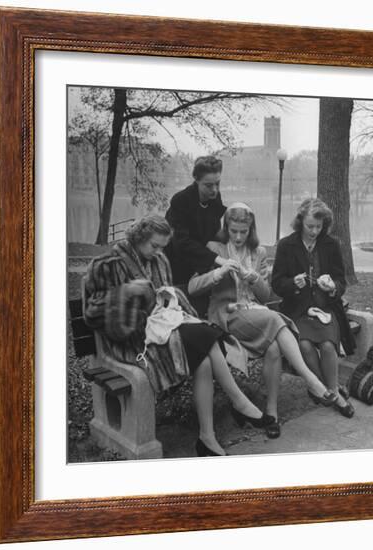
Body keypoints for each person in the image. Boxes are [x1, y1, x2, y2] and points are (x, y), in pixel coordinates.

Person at [82, 214, 271, 457]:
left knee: (203, 358)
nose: (159, 251)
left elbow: (166, 297)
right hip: (132, 341)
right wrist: (125, 291)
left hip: (162, 328)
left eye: (162, 246)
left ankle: (207, 437)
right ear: (139, 237)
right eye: (155, 245)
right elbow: (92, 313)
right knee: (205, 335)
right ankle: (239, 402)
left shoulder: (159, 259)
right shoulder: (107, 264)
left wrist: (167, 297)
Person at [188, 203, 338, 439]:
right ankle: (311, 380)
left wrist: (255, 278)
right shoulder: (214, 248)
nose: (238, 237)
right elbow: (192, 287)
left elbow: (266, 295)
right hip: (226, 316)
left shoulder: (258, 253)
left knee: (275, 347)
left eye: (243, 231)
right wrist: (217, 273)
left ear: (251, 229)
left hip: (255, 317)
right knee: (273, 318)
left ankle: (271, 413)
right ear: (226, 227)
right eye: (233, 230)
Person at [271, 198, 356, 418]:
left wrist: (332, 287)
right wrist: (292, 284)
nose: (314, 231)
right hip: (297, 310)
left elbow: (341, 281)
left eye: (319, 227)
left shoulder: (331, 244)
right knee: (306, 346)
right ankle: (333, 393)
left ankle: (330, 391)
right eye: (310, 226)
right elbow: (277, 284)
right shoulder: (286, 245)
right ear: (300, 222)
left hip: (326, 309)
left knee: (328, 346)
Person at [165, 156, 236, 316]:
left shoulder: (214, 197)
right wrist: (216, 259)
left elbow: (214, 231)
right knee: (185, 310)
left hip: (202, 265)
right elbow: (182, 242)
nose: (214, 190)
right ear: (196, 180)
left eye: (217, 184)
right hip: (178, 265)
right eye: (208, 185)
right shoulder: (181, 201)